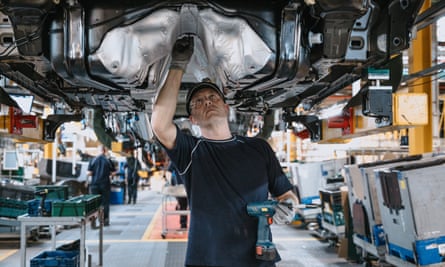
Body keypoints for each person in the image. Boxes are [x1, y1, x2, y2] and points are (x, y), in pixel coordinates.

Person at [151, 36, 299, 267]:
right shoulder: (191, 151)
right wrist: (178, 65)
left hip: (257, 260)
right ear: (193, 119)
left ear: (227, 107)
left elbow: (285, 194)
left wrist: (289, 207)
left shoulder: (258, 148)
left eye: (212, 97)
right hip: (207, 260)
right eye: (198, 102)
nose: (207, 102)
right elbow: (160, 125)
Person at [87, 144, 116, 226]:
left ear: (99, 151)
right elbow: (113, 173)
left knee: (94, 204)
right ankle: (105, 221)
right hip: (105, 184)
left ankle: (93, 221)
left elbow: (89, 173)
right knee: (105, 203)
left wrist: (95, 173)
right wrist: (107, 173)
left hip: (94, 185)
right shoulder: (108, 160)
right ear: (104, 151)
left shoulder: (93, 160)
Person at [167, 159, 188, 229]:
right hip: (186, 187)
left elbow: (168, 172)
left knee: (183, 206)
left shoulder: (176, 158)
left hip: (180, 188)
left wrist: (170, 184)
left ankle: (183, 225)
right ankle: (184, 225)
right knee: (185, 206)